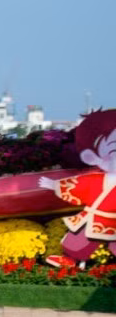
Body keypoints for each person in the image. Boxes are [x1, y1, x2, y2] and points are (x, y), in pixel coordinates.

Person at [39, 109, 116, 270]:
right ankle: (72, 260)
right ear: (93, 156)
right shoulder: (97, 179)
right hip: (94, 216)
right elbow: (79, 185)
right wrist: (53, 185)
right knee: (78, 240)